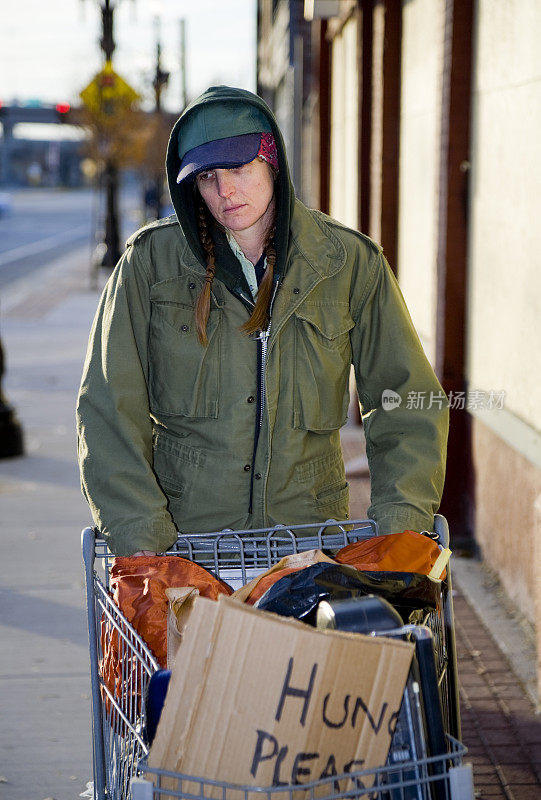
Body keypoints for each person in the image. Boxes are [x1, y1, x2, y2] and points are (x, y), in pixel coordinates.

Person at [76, 85, 448, 557]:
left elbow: (406, 399)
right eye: (207, 176)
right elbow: (108, 407)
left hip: (310, 550)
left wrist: (400, 529)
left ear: (271, 159)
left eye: (238, 168)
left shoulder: (348, 263)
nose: (225, 191)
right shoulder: (149, 266)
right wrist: (143, 544)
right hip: (188, 554)